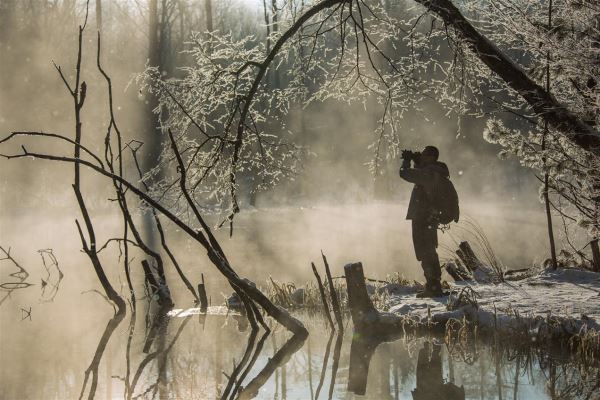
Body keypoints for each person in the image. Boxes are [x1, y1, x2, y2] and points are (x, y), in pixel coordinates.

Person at [399, 145, 449, 298]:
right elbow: (419, 175)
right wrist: (418, 162)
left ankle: (433, 288)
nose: (421, 155)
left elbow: (405, 174)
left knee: (425, 251)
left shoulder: (429, 173)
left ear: (432, 157)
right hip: (429, 217)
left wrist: (407, 161)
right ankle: (434, 286)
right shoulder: (435, 171)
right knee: (429, 251)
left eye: (425, 154)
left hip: (423, 218)